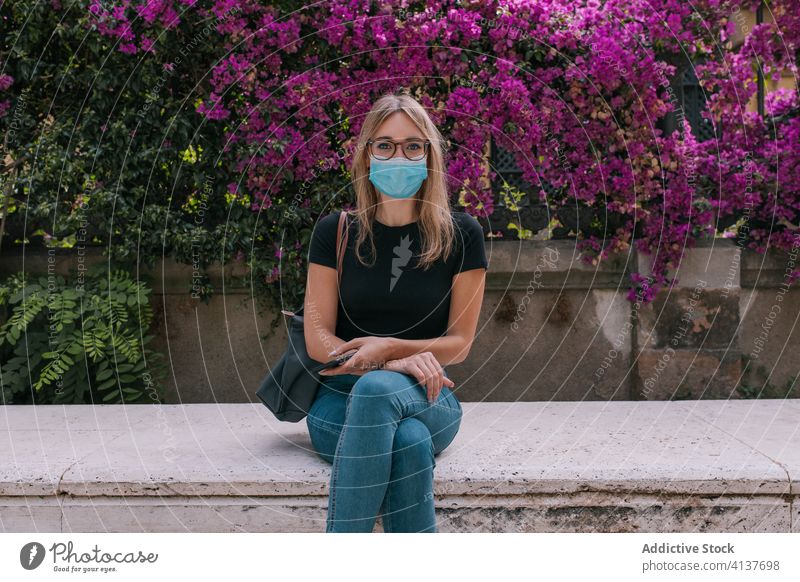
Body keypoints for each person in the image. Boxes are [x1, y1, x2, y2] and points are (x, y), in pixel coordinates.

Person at [303, 90, 488, 533]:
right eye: (384, 144)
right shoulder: (336, 232)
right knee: (408, 440)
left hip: (428, 398)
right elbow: (317, 340)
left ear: (429, 155)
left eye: (412, 145)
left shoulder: (462, 234)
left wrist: (390, 349)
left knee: (381, 394)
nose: (397, 155)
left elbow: (459, 344)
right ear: (367, 155)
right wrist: (393, 361)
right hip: (338, 404)